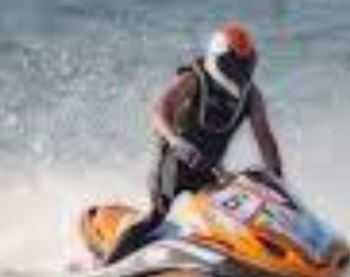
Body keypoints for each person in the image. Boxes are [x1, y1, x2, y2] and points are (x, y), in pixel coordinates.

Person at [105, 22, 285, 263]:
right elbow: (159, 111)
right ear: (218, 58)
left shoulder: (251, 96)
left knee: (237, 220)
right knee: (156, 217)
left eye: (245, 64)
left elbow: (264, 136)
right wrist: (175, 141)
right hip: (174, 163)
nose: (240, 70)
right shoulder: (194, 78)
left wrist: (276, 178)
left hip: (209, 169)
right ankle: (106, 267)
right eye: (234, 64)